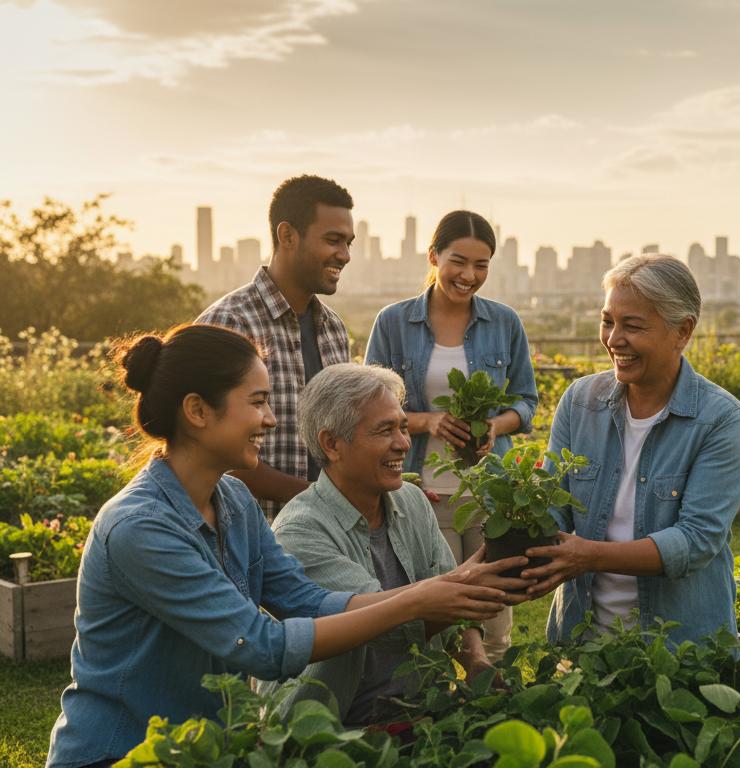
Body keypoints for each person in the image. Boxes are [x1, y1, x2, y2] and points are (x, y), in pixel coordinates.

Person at [47, 325, 522, 768]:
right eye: (257, 402)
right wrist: (418, 599)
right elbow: (261, 645)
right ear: (197, 412)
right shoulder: (139, 528)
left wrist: (446, 590)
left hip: (204, 747)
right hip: (120, 752)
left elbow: (308, 602)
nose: (271, 420)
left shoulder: (231, 498)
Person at [262, 364, 530, 724]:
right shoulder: (300, 532)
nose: (404, 443)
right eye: (384, 430)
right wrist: (466, 584)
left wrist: (476, 661)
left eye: (403, 426)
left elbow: (446, 599)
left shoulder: (411, 501)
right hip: (332, 727)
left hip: (418, 710)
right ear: (332, 444)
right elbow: (383, 628)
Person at [518, 255, 740, 647]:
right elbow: (552, 504)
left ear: (683, 331)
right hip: (583, 643)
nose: (613, 339)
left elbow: (697, 541)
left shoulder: (720, 419)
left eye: (633, 326)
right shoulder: (580, 402)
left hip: (680, 650)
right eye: (608, 321)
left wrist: (590, 556)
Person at [364, 209, 538, 661]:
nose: (469, 275)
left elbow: (526, 401)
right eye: (458, 261)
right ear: (434, 256)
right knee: (438, 610)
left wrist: (494, 426)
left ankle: (493, 697)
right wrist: (427, 422)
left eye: (481, 265)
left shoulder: (505, 323)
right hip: (423, 492)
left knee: (494, 609)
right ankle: (440, 705)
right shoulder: (394, 322)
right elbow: (369, 405)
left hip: (491, 492)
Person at [197, 175, 356, 518]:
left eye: (349, 243)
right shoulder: (230, 324)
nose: (344, 255)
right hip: (253, 537)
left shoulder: (334, 330)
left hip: (328, 536)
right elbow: (210, 448)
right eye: (333, 240)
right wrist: (322, 498)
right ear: (287, 236)